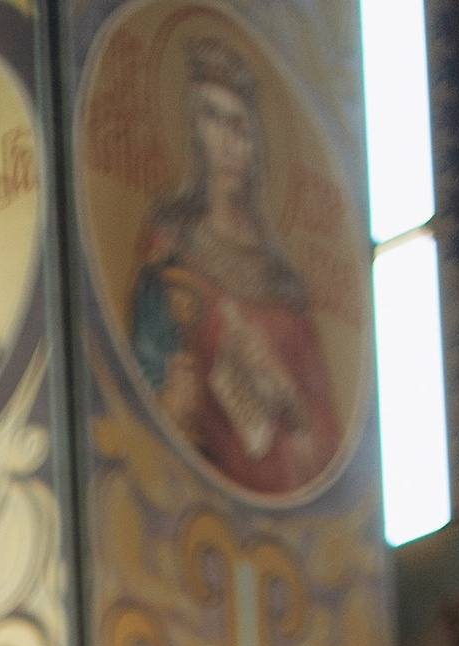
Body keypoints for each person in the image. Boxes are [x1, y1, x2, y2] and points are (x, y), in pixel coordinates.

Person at [128, 37, 343, 501]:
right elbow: (140, 382)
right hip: (195, 503)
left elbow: (327, 452)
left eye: (240, 127)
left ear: (256, 144)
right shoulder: (170, 249)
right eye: (212, 118)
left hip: (279, 513)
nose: (228, 142)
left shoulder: (282, 284)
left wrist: (284, 390)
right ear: (194, 130)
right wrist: (168, 405)